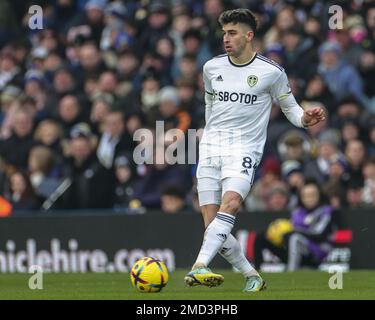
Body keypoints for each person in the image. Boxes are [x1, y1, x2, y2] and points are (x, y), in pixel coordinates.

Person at [184, 9, 325, 292]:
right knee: (214, 227)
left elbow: (290, 108)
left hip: (244, 149)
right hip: (212, 148)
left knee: (232, 203)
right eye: (224, 33)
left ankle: (198, 266)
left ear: (249, 36)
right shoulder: (212, 67)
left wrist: (304, 119)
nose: (226, 38)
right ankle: (252, 275)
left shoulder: (271, 73)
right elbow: (211, 107)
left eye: (232, 32)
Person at [253, 180, 339, 271]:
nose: (309, 198)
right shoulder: (297, 212)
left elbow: (319, 234)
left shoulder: (326, 211)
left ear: (319, 195)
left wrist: (293, 231)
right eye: (305, 196)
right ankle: (257, 273)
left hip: (316, 252)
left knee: (294, 237)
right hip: (295, 250)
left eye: (312, 195)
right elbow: (290, 228)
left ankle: (291, 272)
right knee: (262, 236)